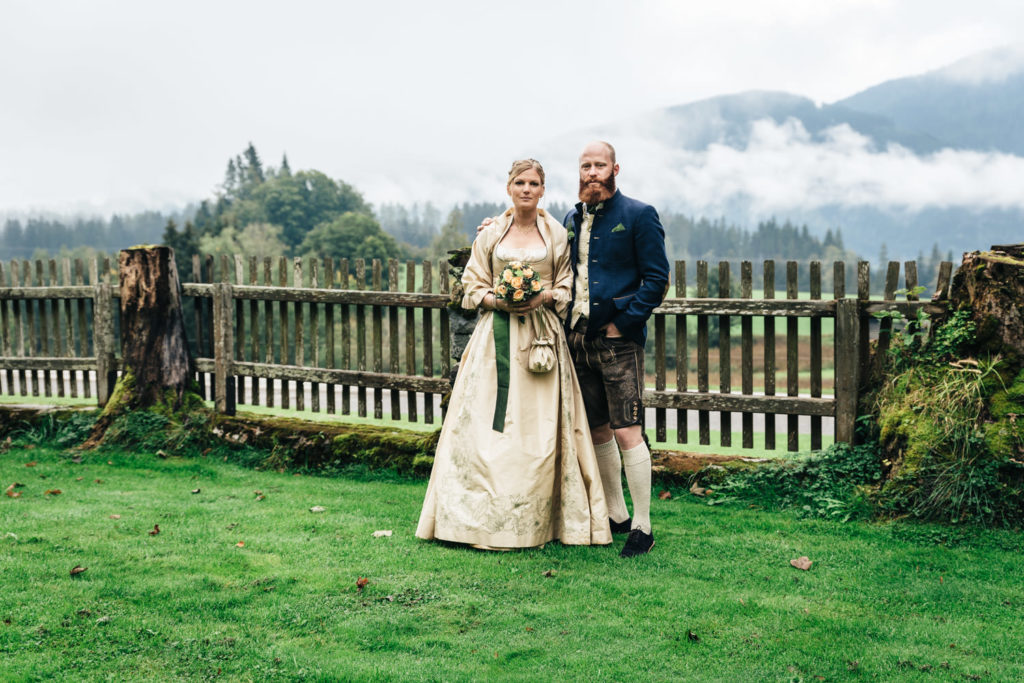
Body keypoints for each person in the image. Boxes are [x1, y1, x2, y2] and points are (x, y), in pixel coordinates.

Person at [415, 159, 611, 550]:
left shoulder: (556, 233)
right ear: (509, 188)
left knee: (538, 424)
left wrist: (541, 296)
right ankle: (474, 517)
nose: (526, 189)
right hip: (495, 338)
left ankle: (542, 520)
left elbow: (567, 284)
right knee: (488, 422)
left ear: (542, 190)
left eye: (534, 183)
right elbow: (472, 282)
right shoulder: (491, 233)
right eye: (519, 182)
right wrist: (496, 300)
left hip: (541, 339)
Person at [564, 141, 670, 557]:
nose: (592, 172)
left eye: (600, 165)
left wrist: (621, 324)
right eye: (586, 165)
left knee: (628, 429)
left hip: (618, 343)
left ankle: (643, 527)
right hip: (578, 340)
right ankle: (616, 514)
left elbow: (656, 280)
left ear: (615, 169)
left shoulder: (639, 215)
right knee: (597, 429)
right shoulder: (572, 217)